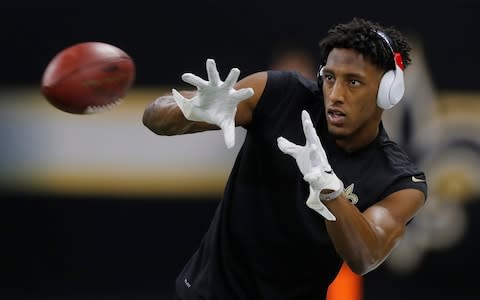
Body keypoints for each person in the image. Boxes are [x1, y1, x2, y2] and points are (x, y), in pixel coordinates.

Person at [142, 17, 428, 300]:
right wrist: (191, 111)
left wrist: (329, 191)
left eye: (353, 82)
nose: (336, 94)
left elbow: (365, 257)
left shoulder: (398, 179)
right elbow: (153, 117)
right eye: (329, 78)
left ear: (388, 91)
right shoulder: (282, 94)